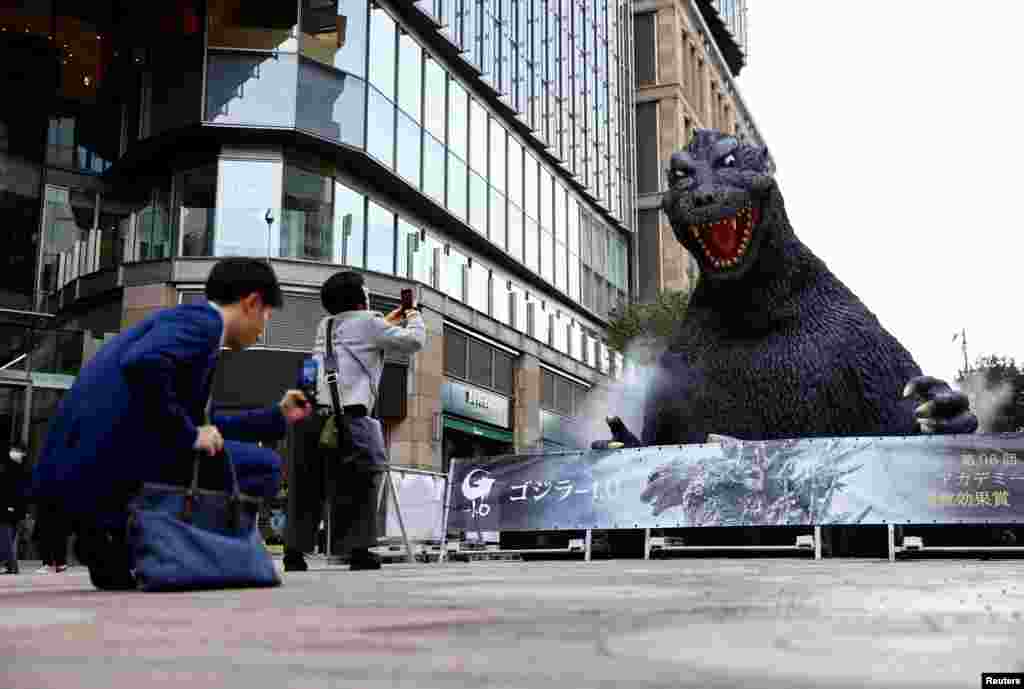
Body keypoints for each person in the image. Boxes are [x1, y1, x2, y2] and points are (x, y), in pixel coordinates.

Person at [31, 258, 312, 590]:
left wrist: (276, 416)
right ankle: (159, 543)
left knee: (220, 450)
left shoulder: (177, 324)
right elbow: (146, 366)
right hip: (108, 470)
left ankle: (119, 541)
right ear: (252, 303)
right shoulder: (202, 324)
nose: (263, 328)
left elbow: (203, 424)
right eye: (267, 316)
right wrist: (190, 435)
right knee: (265, 465)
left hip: (83, 471)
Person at [283, 271, 425, 572]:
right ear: (361, 298)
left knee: (307, 485)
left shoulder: (328, 324)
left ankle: (294, 553)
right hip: (350, 417)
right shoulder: (370, 323)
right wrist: (412, 314)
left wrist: (388, 320)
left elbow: (359, 336)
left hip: (310, 417)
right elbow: (413, 341)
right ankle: (359, 551)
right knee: (361, 481)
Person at [0, 442, 28, 574]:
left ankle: (10, 565)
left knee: (6, 537)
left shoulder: (13, 468)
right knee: (7, 537)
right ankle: (8, 565)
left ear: (23, 453)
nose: (13, 452)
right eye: (12, 450)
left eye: (16, 450)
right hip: (12, 508)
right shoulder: (13, 467)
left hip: (10, 508)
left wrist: (11, 506)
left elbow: (13, 490)